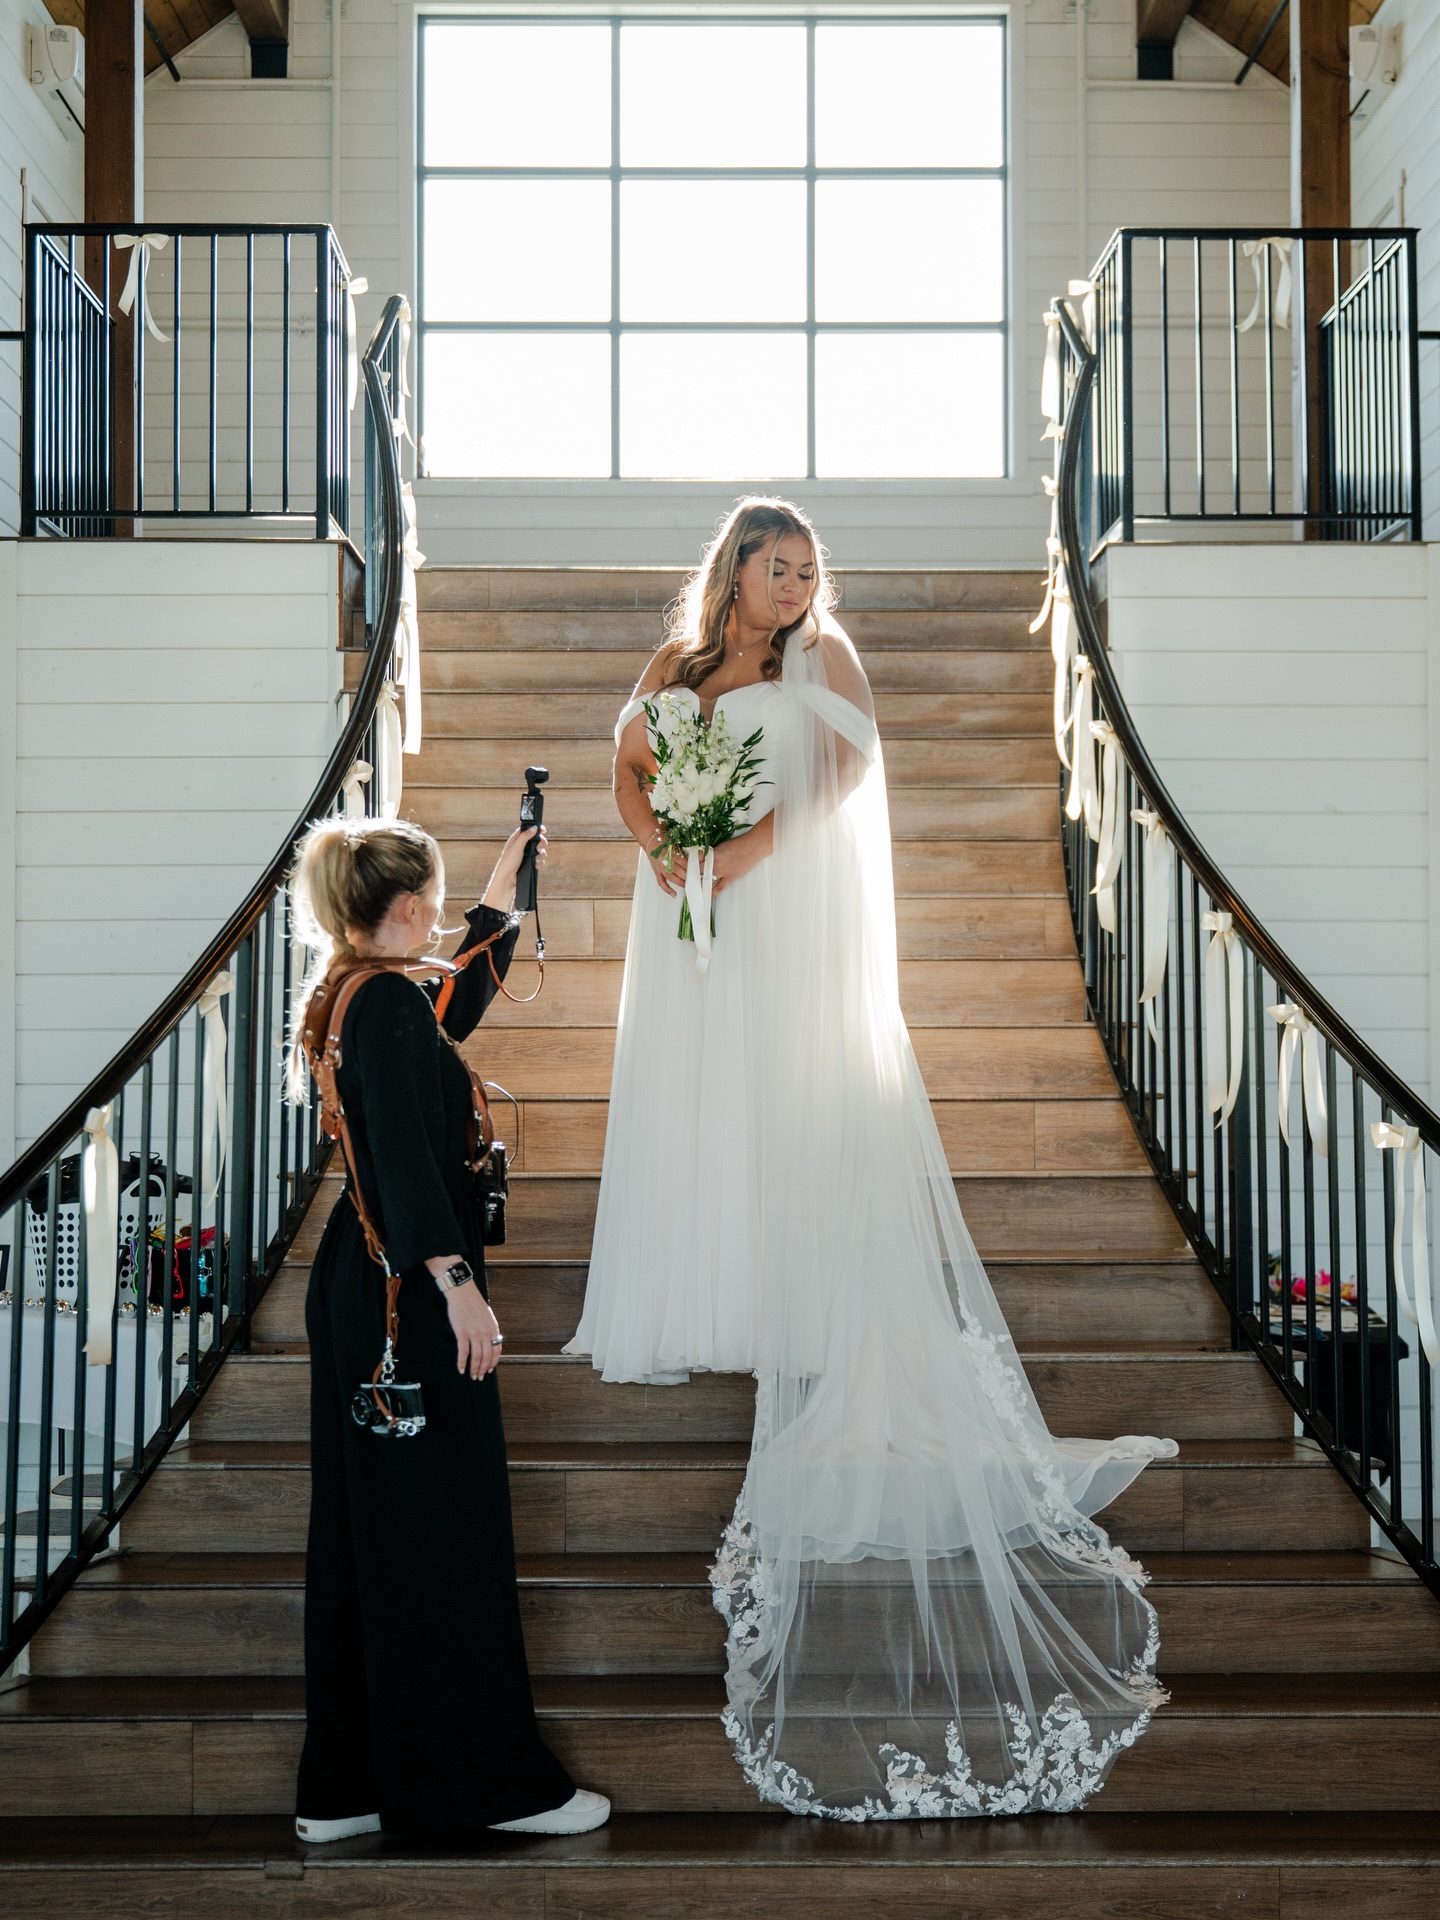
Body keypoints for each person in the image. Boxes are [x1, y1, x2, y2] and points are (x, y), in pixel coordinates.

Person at [566, 497, 1178, 1819]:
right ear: (730, 569)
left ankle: (827, 1311)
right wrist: (667, 853)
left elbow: (845, 782)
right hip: (694, 919)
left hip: (780, 910)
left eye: (805, 570)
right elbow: (625, 762)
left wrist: (737, 852)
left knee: (800, 1110)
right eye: (773, 567)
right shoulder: (677, 671)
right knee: (713, 1110)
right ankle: (736, 1280)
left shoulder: (823, 660)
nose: (792, 586)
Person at [288, 814, 609, 1841]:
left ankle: (345, 1790)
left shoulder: (364, 990)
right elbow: (408, 1160)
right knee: (442, 1531)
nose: (433, 917)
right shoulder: (381, 1004)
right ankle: (490, 1788)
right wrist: (457, 1284)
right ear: (399, 907)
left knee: (366, 1531)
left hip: (365, 1280)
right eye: (425, 902)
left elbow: (456, 1005)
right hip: (406, 1292)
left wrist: (500, 892)